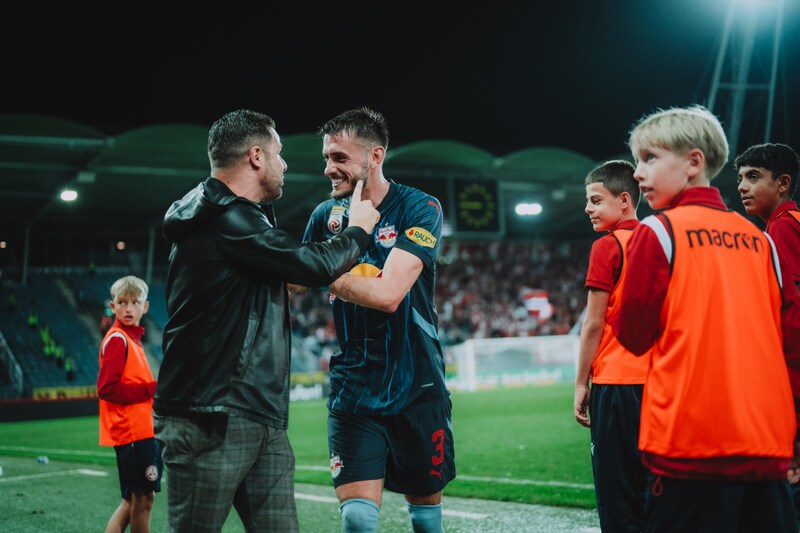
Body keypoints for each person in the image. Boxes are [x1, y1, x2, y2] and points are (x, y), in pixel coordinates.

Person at [153, 109, 379, 533]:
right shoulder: (227, 217)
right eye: (279, 153)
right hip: (212, 415)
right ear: (256, 156)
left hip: (257, 414)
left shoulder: (227, 216)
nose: (285, 163)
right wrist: (358, 230)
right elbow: (311, 265)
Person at [610, 104, 800, 532]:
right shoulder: (761, 239)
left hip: (690, 448)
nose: (638, 173)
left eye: (650, 158)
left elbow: (633, 336)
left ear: (694, 162)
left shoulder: (657, 231)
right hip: (766, 442)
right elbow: (789, 341)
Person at [301, 107, 455, 533]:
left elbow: (389, 295)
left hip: (417, 386)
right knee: (356, 518)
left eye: (339, 158)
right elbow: (292, 281)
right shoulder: (325, 217)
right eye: (327, 157)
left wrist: (322, 270)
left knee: (426, 523)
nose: (329, 168)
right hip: (354, 388)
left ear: (375, 157)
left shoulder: (420, 208)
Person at [573, 159, 650, 532]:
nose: (588, 208)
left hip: (617, 384)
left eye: (595, 200)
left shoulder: (607, 246)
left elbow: (593, 325)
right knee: (655, 488)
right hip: (659, 385)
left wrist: (580, 383)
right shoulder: (659, 241)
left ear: (624, 200)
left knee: (618, 493)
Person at [97, 275, 161, 533]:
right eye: (122, 302)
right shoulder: (118, 340)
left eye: (135, 302)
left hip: (138, 432)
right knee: (142, 500)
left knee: (131, 501)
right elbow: (106, 388)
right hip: (134, 434)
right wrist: (151, 389)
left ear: (145, 307)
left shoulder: (131, 339)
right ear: (113, 307)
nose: (128, 308)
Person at [735, 142, 800, 293]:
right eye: (740, 179)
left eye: (753, 177)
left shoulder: (783, 225)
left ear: (783, 183)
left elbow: (794, 297)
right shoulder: (792, 219)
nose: (741, 187)